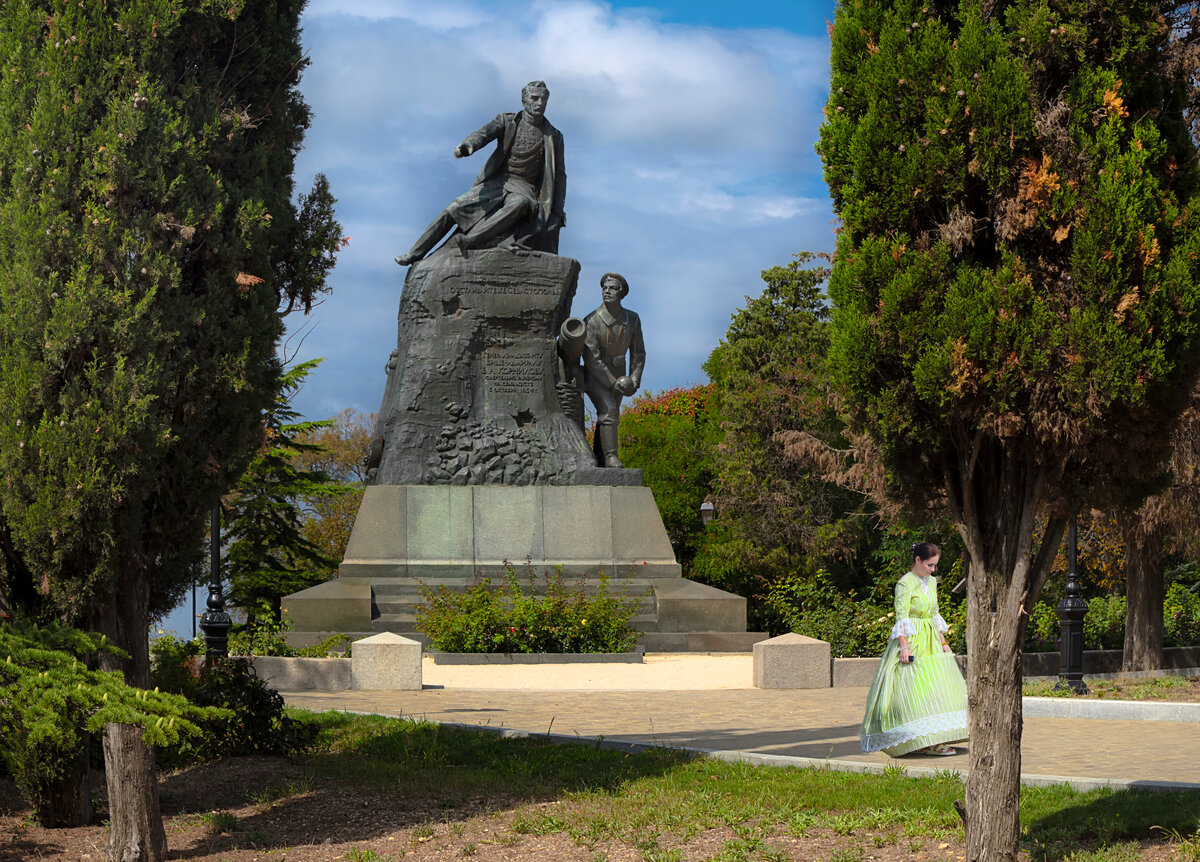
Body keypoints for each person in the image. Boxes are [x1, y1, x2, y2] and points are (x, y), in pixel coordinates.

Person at [394, 81, 566, 265]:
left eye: (544, 99)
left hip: (525, 188)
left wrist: (557, 209)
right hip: (499, 182)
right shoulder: (507, 121)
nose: (540, 103)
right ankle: (415, 253)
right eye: (535, 98)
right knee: (454, 208)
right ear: (524, 100)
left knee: (519, 203)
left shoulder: (553, 136)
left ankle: (470, 240)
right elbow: (482, 134)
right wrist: (468, 146)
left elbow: (559, 176)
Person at [859, 542, 968, 757]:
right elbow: (902, 616)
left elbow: (935, 614)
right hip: (914, 640)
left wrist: (944, 643)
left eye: (935, 566)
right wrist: (904, 647)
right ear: (917, 560)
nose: (932, 570)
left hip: (932, 641)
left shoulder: (932, 582)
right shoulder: (904, 584)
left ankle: (936, 737)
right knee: (916, 691)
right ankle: (923, 741)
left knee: (937, 689)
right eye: (929, 565)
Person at [582, 273, 645, 468]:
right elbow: (592, 359)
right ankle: (611, 457)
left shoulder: (632, 319)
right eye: (604, 288)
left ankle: (600, 459)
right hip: (596, 376)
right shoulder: (591, 321)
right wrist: (612, 382)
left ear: (622, 293)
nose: (607, 291)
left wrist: (634, 379)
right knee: (609, 410)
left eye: (612, 288)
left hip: (621, 374)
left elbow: (638, 353)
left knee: (609, 416)